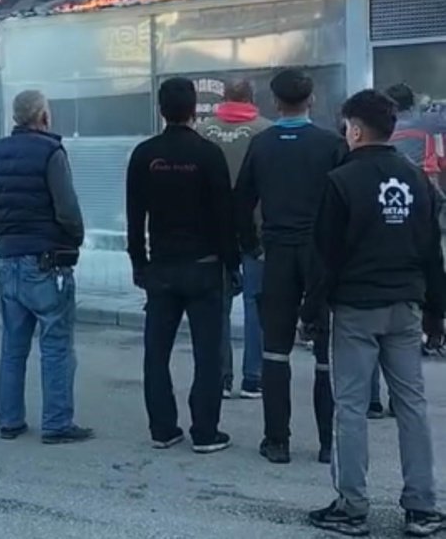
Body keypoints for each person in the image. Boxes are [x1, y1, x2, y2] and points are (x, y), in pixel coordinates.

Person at [304, 90, 446, 538]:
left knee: (349, 407)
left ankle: (352, 505)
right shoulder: (417, 180)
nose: (345, 133)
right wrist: (437, 314)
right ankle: (422, 508)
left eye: (347, 126)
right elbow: (431, 252)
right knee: (412, 406)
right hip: (405, 306)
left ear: (358, 129)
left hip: (356, 308)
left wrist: (311, 312)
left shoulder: (340, 182)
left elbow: (324, 256)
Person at [236, 68, 347, 465]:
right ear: (312, 100)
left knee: (275, 351)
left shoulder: (262, 144)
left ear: (275, 103)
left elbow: (241, 201)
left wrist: (251, 246)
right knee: (325, 353)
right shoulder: (332, 144)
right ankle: (328, 443)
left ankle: (277, 441)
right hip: (320, 255)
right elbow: (346, 203)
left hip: (278, 252)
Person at [0, 89, 91, 445]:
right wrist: (74, 240)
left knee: (13, 345)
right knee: (55, 344)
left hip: (8, 260)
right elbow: (67, 210)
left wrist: (8, 232)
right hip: (46, 262)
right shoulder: (51, 152)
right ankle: (56, 423)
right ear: (43, 116)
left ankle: (10, 421)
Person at [127, 77, 236, 454]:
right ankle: (205, 431)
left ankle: (162, 428)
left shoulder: (144, 155)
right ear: (193, 110)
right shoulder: (208, 154)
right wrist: (232, 263)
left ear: (160, 109)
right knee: (208, 353)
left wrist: (138, 262)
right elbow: (226, 216)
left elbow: (133, 216)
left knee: (156, 352)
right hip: (205, 267)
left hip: (161, 268)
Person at [199, 79, 271, 399]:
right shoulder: (266, 132)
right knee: (257, 303)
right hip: (256, 230)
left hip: (214, 231)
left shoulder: (204, 131)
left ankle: (221, 377)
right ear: (252, 97)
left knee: (218, 305)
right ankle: (253, 377)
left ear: (224, 98)